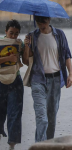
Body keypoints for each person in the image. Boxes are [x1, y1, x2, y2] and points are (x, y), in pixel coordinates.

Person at [23, 15, 72, 142]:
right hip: (38, 80)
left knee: (51, 118)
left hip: (55, 80)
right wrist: (27, 46)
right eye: (38, 22)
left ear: (49, 20)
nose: (41, 24)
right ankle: (39, 146)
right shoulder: (32, 36)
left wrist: (70, 74)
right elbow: (26, 61)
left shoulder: (59, 34)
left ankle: (49, 145)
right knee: (42, 119)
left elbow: (67, 54)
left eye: (44, 21)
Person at [0, 20, 24, 150]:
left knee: (15, 113)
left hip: (16, 80)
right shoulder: (0, 42)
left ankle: (12, 146)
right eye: (11, 33)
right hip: (0, 80)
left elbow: (26, 60)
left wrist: (28, 46)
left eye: (16, 34)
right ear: (5, 32)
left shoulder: (20, 43)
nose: (13, 36)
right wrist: (8, 59)